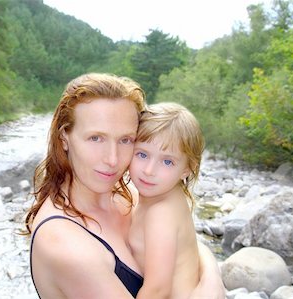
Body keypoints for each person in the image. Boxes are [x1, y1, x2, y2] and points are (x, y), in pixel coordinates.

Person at [25, 73, 225, 298]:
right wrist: (210, 289)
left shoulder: (129, 195)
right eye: (96, 138)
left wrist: (213, 278)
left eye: (125, 140)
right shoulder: (65, 242)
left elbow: (186, 245)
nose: (112, 159)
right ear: (64, 138)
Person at [129, 102, 204, 298]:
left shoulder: (160, 213)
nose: (149, 170)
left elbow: (157, 289)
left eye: (167, 161)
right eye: (142, 154)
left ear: (187, 169)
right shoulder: (165, 194)